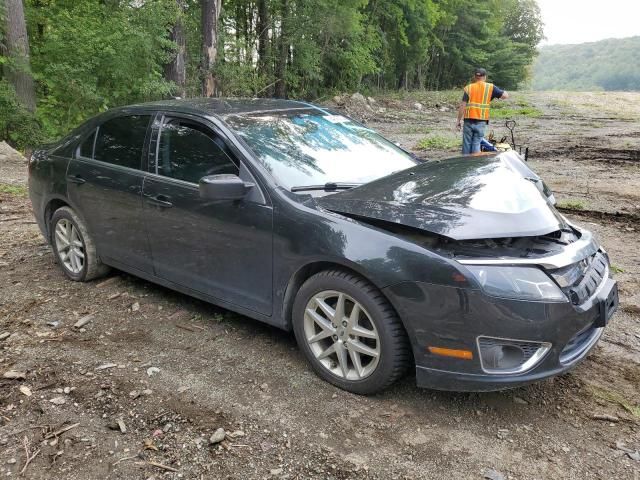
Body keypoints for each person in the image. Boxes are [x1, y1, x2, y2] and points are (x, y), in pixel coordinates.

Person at [456, 68, 509, 154]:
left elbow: (463, 105)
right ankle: (475, 164)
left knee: (466, 144)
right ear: (485, 77)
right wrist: (502, 91)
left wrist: (458, 120)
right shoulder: (490, 87)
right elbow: (505, 96)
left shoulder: (469, 88)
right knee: (476, 143)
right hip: (481, 121)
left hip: (468, 120)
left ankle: (465, 164)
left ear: (475, 77)